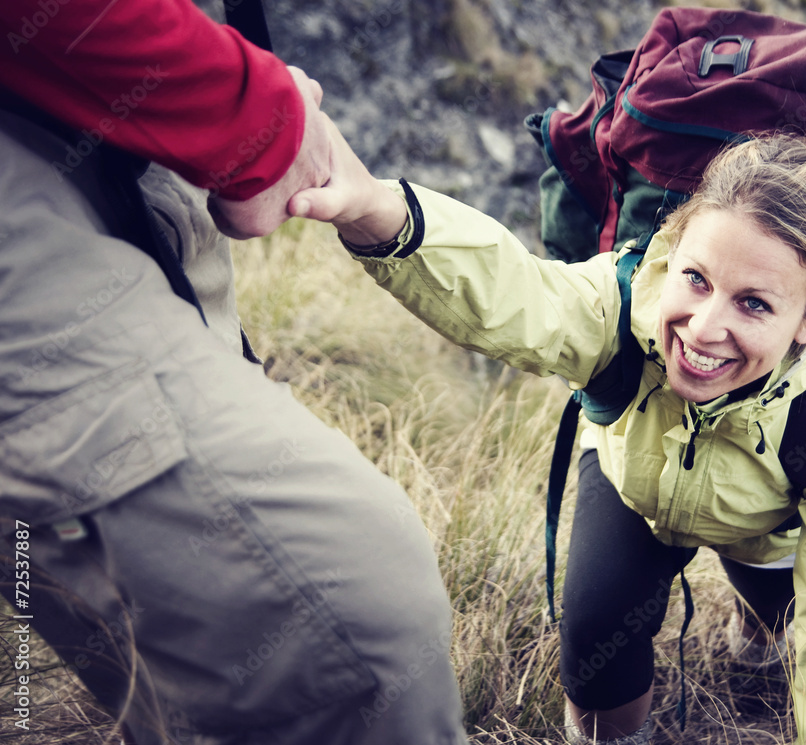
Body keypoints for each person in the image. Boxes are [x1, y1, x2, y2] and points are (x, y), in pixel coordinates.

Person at [293, 117, 806, 745]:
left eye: (754, 303)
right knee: (595, 640)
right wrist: (376, 211)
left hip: (772, 524)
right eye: (695, 278)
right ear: (673, 250)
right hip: (636, 484)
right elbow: (514, 293)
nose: (701, 330)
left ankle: (756, 638)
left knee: (781, 612)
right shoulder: (623, 298)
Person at [0, 2, 468, 744]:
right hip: (52, 138)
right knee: (364, 607)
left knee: (205, 645)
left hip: (116, 141)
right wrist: (257, 114)